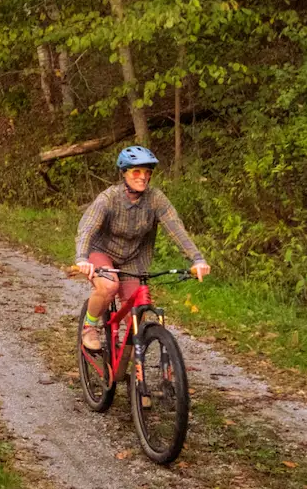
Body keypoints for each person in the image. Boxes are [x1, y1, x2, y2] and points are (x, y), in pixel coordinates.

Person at [74, 145, 210, 350]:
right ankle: (89, 326)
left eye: (147, 172)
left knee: (135, 316)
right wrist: (82, 258)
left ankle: (130, 372)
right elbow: (87, 228)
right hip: (101, 252)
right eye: (136, 171)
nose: (143, 177)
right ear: (124, 173)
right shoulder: (109, 198)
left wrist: (197, 259)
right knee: (109, 286)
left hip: (134, 257)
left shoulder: (155, 199)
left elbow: (176, 229)